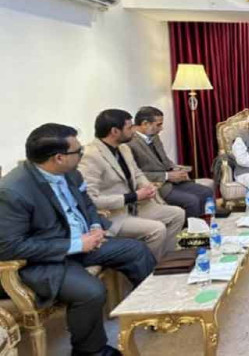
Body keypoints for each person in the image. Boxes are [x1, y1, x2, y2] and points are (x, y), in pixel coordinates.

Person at [0, 123, 156, 356]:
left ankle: (151, 312)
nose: (82, 154)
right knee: (90, 291)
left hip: (83, 242)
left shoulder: (71, 172)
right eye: (78, 151)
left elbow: (87, 204)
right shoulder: (13, 191)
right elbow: (9, 247)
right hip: (43, 260)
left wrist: (95, 226)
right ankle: (89, 351)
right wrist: (76, 244)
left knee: (136, 251)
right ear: (59, 158)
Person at [78, 109, 185, 261]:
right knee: (157, 229)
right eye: (129, 127)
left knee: (177, 214)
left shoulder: (124, 148)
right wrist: (133, 196)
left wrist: (148, 186)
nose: (134, 130)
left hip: (136, 207)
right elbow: (91, 199)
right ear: (114, 131)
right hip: (114, 216)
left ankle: (167, 259)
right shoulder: (91, 155)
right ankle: (151, 268)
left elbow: (137, 173)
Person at [127, 106, 213, 218]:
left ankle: (206, 223)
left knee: (207, 192)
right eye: (158, 125)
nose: (161, 128)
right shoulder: (129, 143)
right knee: (192, 201)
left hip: (171, 182)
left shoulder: (154, 137)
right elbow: (135, 174)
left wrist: (176, 168)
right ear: (145, 124)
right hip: (157, 186)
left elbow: (164, 160)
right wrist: (167, 176)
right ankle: (188, 228)